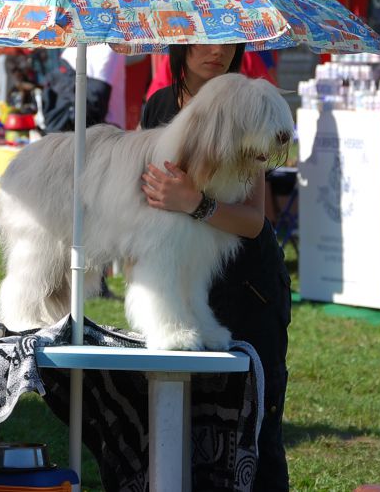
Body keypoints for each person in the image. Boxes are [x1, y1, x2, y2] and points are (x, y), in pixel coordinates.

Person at [140, 43, 291, 491]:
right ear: (181, 43)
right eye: (206, 36)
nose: (217, 50)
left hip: (246, 290)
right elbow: (146, 201)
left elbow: (253, 219)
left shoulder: (251, 104)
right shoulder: (160, 108)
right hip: (180, 288)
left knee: (255, 431)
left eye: (228, 40)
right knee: (178, 429)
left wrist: (196, 203)